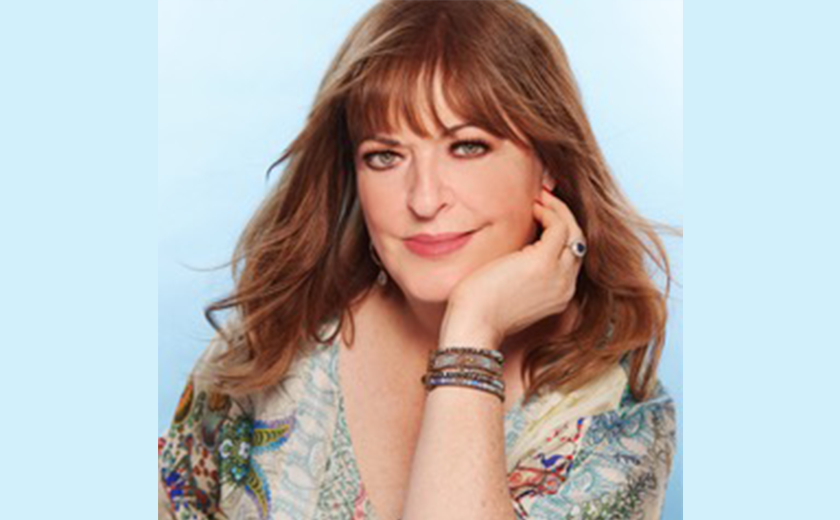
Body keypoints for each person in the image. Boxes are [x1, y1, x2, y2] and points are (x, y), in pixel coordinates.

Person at [158, 1, 679, 519]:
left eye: (467, 147)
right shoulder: (269, 348)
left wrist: (472, 330)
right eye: (385, 156)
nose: (424, 200)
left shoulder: (614, 422)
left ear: (549, 161)